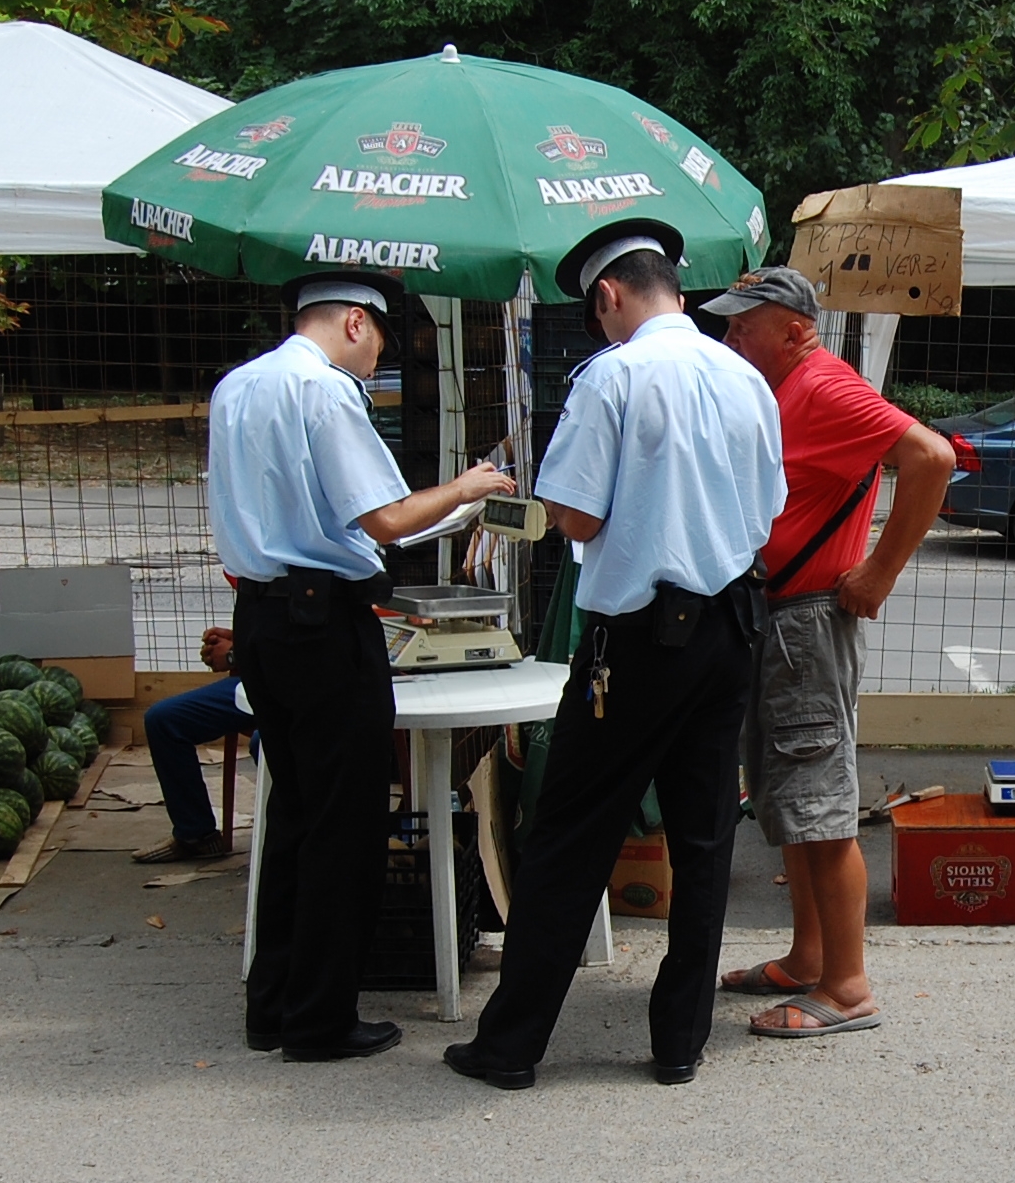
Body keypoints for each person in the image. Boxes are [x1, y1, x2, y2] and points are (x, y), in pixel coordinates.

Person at [446, 222, 783, 1092]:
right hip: (730, 626)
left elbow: (579, 518)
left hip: (636, 641)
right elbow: (768, 508)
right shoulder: (744, 376)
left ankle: (511, 1045)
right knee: (704, 840)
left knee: (567, 837)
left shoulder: (614, 377)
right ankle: (680, 1044)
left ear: (607, 296)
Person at [210, 275, 515, 1062]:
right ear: (354, 322)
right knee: (344, 827)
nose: (378, 363)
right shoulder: (325, 391)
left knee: (294, 817)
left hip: (264, 620)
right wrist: (469, 486)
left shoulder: (238, 386)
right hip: (322, 624)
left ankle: (271, 1006)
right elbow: (382, 518)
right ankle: (320, 1019)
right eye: (379, 345)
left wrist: (448, 508)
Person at [703, 267, 955, 1038]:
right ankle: (809, 959)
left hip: (809, 621)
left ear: (795, 328)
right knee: (795, 799)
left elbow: (932, 456)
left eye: (745, 324)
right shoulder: (792, 387)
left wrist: (879, 570)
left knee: (819, 802)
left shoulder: (824, 385)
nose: (730, 336)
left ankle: (846, 988)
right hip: (788, 620)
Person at [132, 625, 262, 865]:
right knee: (163, 719)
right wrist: (240, 638)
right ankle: (196, 836)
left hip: (312, 690)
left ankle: (301, 840)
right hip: (257, 682)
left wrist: (237, 654)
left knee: (263, 744)